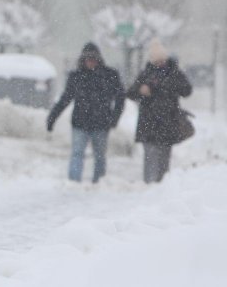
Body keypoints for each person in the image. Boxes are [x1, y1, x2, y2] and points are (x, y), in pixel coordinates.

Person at [46, 42, 125, 183]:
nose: (90, 62)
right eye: (88, 59)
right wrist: (52, 117)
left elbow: (120, 98)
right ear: (83, 60)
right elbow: (65, 99)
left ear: (99, 59)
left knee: (100, 156)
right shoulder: (76, 76)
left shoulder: (109, 75)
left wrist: (114, 118)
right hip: (80, 123)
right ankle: (73, 182)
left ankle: (99, 183)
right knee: (77, 153)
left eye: (93, 59)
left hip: (101, 123)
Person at [126, 39, 192, 183]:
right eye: (157, 60)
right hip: (148, 123)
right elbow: (130, 93)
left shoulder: (174, 73)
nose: (160, 63)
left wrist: (169, 85)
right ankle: (149, 187)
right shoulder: (145, 74)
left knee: (163, 160)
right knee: (150, 158)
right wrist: (140, 90)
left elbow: (187, 90)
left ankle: (162, 188)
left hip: (168, 122)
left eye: (162, 59)